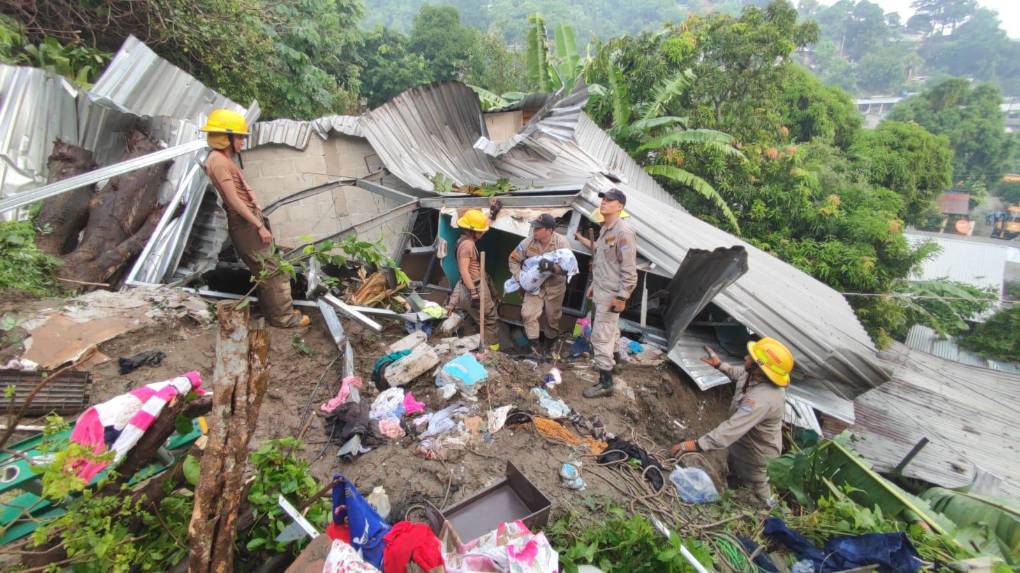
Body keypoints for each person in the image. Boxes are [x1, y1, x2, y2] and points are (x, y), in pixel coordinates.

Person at [200, 109, 309, 328]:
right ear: (226, 137)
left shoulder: (221, 159)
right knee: (273, 271)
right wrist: (259, 225)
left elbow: (240, 191)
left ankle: (276, 311)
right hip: (246, 226)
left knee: (267, 270)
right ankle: (283, 318)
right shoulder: (218, 162)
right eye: (239, 137)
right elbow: (233, 200)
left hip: (248, 224)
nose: (242, 141)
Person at [671, 338, 794, 505]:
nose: (745, 357)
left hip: (756, 457)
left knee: (758, 497)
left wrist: (696, 445)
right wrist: (719, 365)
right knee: (735, 479)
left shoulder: (763, 399)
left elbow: (732, 429)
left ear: (760, 368)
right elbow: (739, 373)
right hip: (741, 448)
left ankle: (767, 517)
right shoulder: (753, 375)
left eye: (750, 357)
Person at [574, 189, 638, 398]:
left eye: (610, 200)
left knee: (600, 337)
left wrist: (622, 297)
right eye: (603, 199)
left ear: (619, 206)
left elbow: (630, 271)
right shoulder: (605, 230)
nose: (604, 202)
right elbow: (603, 262)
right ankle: (614, 363)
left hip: (612, 295)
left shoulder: (623, 232)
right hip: (601, 289)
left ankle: (606, 382)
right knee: (610, 331)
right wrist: (594, 284)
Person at [508, 214, 571, 355]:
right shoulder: (528, 242)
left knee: (552, 319)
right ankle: (535, 348)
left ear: (549, 230)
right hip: (534, 286)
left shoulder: (562, 243)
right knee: (527, 314)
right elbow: (513, 260)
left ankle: (549, 346)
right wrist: (521, 280)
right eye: (534, 227)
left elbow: (569, 268)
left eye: (538, 228)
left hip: (555, 287)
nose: (534, 230)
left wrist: (552, 267)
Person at [447, 209, 500, 346]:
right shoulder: (468, 245)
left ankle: (483, 344)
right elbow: (464, 271)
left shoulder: (464, 240)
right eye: (480, 231)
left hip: (472, 285)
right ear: (472, 231)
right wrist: (474, 292)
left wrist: (492, 214)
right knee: (489, 319)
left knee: (480, 317)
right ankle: (491, 350)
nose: (483, 233)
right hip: (474, 287)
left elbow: (481, 223)